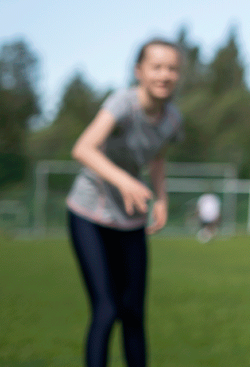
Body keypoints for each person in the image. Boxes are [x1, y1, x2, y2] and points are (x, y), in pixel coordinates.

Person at [65, 38, 183, 367]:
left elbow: (158, 157)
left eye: (172, 68)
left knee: (133, 313)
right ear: (139, 71)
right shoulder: (122, 103)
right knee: (107, 309)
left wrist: (160, 197)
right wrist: (125, 179)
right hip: (89, 214)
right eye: (157, 67)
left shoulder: (172, 119)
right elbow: (83, 148)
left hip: (130, 218)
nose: (165, 74)